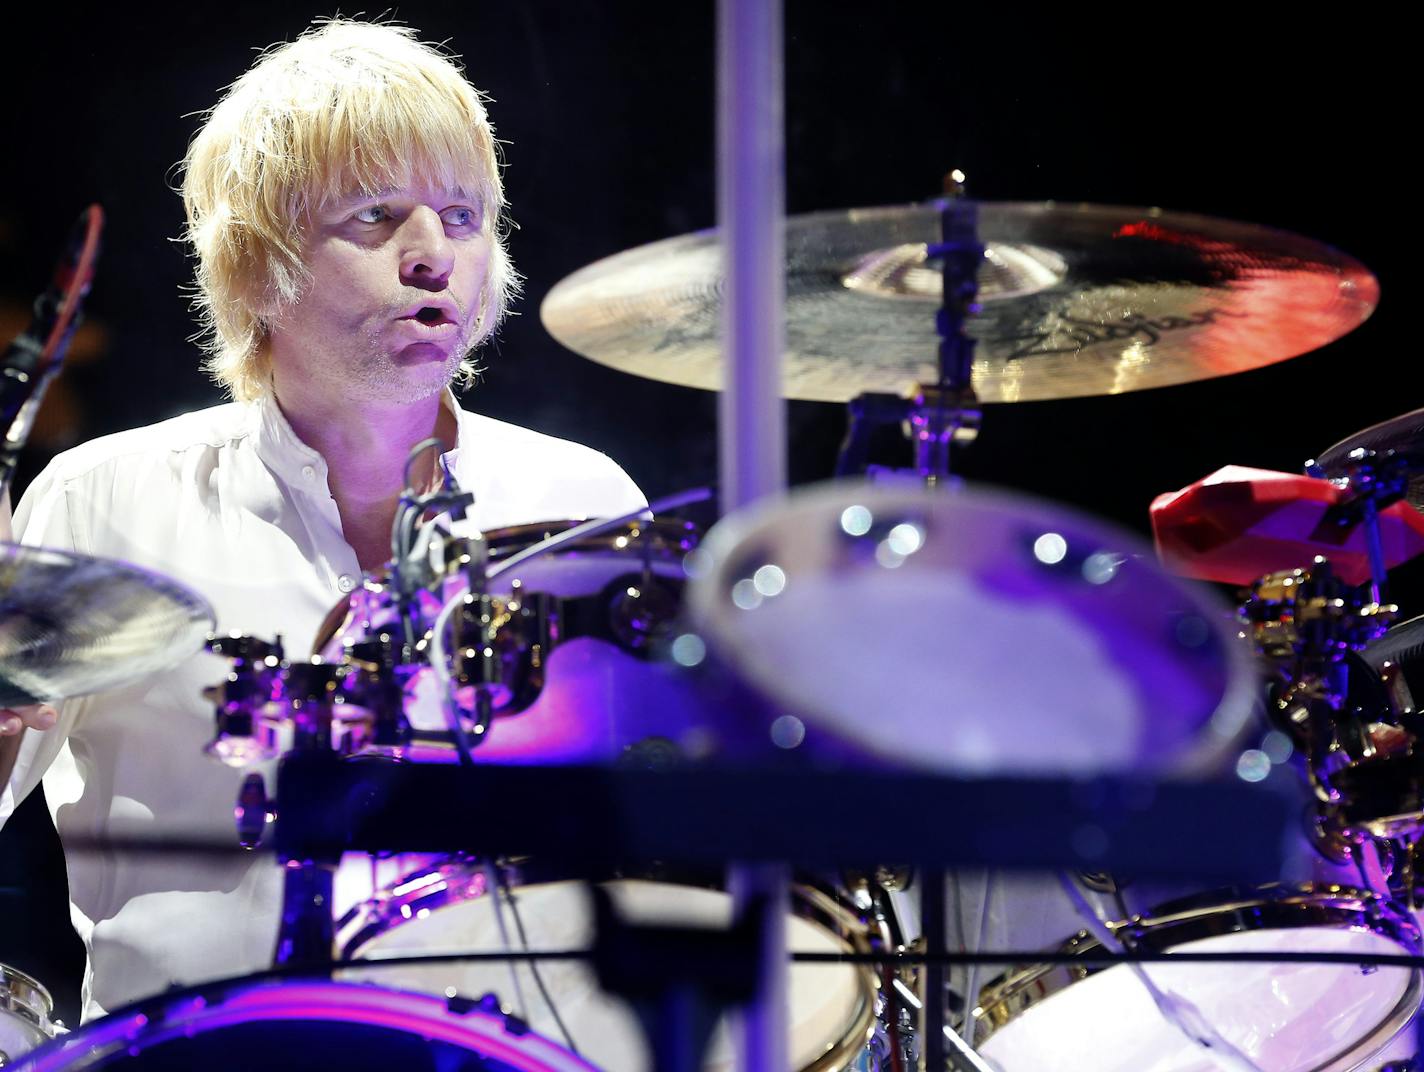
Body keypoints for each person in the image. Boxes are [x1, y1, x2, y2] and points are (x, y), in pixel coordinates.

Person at [0, 19, 645, 1022]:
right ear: (258, 269)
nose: (432, 255)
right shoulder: (101, 501)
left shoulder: (584, 503)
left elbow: (663, 840)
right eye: (376, 216)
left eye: (462, 216)